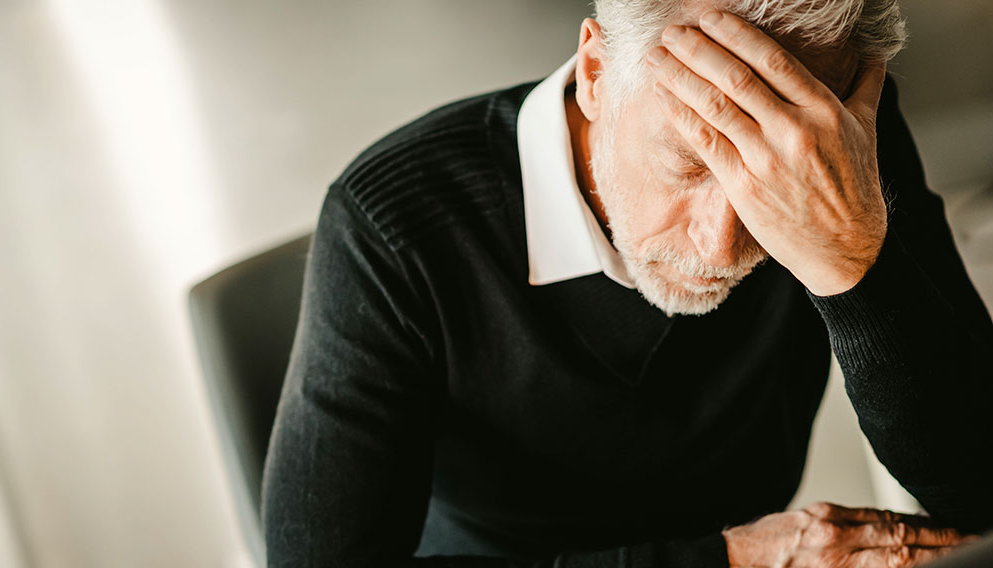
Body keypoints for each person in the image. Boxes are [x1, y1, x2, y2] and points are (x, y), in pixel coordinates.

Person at [262, 1, 993, 566]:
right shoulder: (391, 225)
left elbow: (980, 492)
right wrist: (728, 559)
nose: (722, 244)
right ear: (595, 73)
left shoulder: (831, 152)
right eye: (689, 163)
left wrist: (850, 262)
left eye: (770, 184)